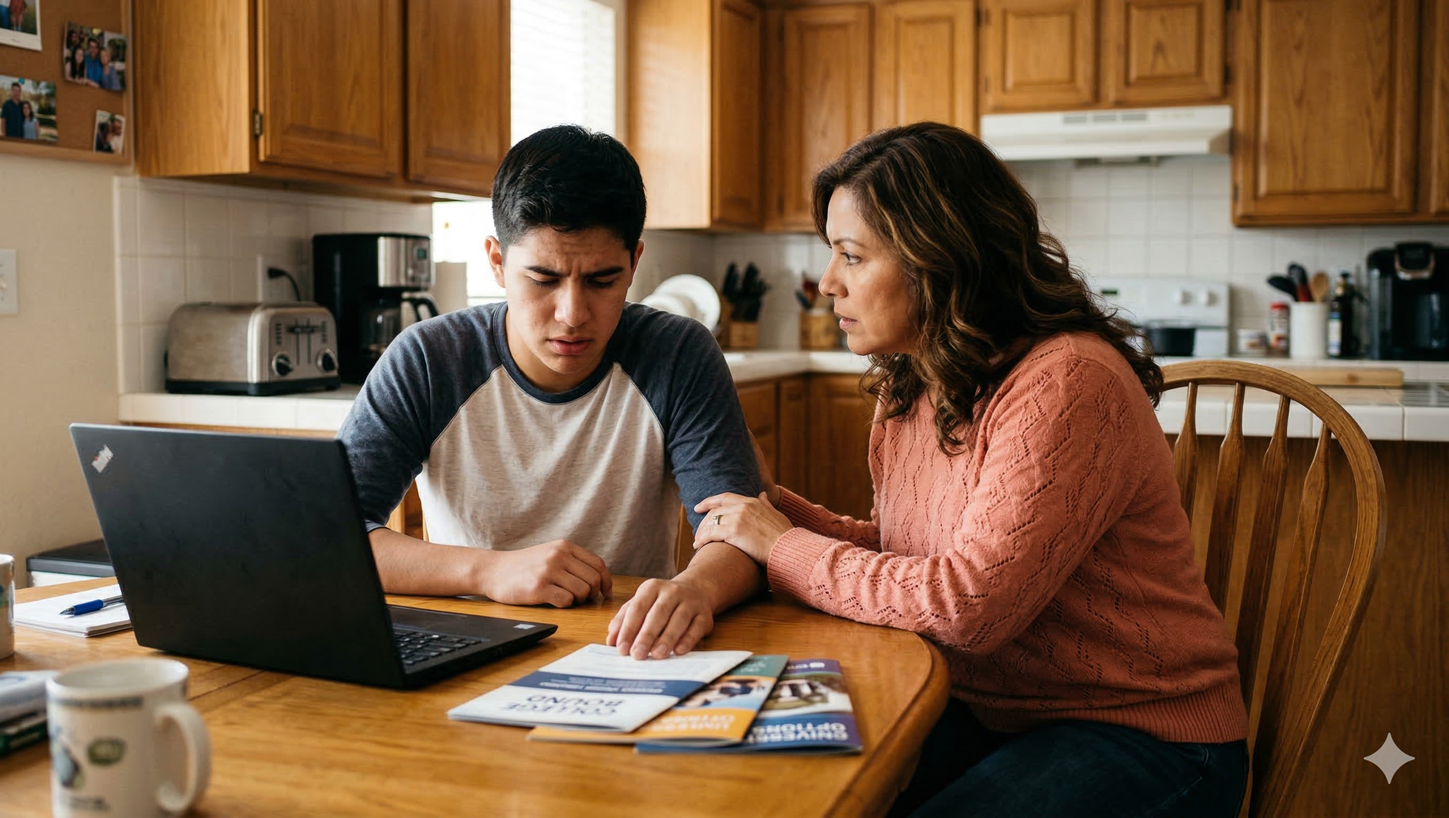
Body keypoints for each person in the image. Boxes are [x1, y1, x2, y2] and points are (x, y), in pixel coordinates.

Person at [691, 123, 1250, 818]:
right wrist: (775, 510)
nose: (828, 283)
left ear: (938, 258)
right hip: (987, 712)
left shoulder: (1067, 380)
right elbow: (914, 559)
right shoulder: (916, 380)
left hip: (1145, 734)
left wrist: (780, 546)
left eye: (852, 257)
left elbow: (967, 606)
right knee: (793, 788)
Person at [337, 124, 766, 661]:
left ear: (635, 262)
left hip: (626, 648)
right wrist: (490, 570)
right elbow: (333, 540)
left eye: (603, 281)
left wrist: (696, 588)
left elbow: (740, 532)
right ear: (497, 261)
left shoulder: (677, 353)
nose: (572, 315)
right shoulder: (428, 359)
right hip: (465, 642)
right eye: (542, 279)